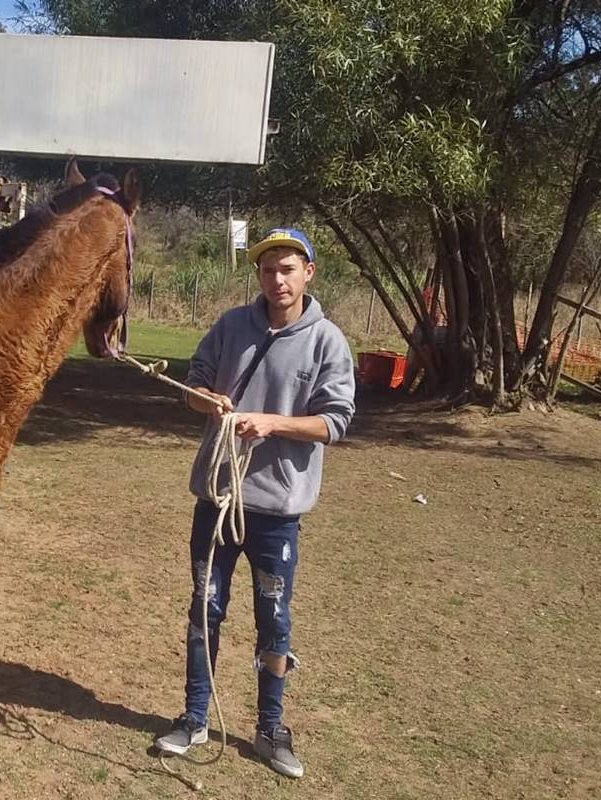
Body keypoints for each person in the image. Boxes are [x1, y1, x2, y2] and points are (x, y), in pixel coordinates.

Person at [154, 227, 356, 778]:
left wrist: (273, 423)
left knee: (275, 622)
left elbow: (335, 422)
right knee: (204, 610)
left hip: (277, 510)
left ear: (308, 272)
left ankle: (270, 729)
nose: (278, 279)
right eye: (269, 270)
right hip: (217, 499)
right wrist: (206, 399)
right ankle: (195, 717)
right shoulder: (230, 326)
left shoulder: (327, 341)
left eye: (288, 268)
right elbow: (193, 386)